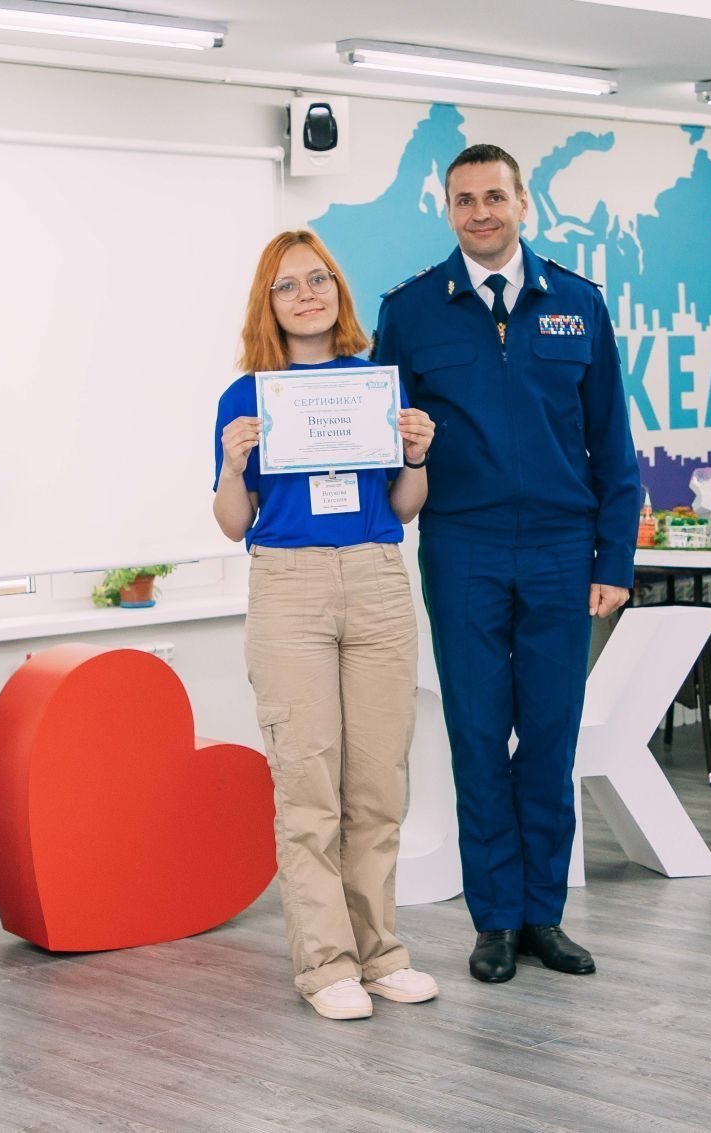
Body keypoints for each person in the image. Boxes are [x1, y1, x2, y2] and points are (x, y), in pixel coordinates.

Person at [373, 144, 641, 984]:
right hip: (463, 548)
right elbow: (383, 439)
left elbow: (614, 444)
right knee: (479, 734)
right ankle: (494, 920)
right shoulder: (411, 311)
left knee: (552, 735)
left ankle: (542, 915)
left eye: (494, 196)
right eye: (464, 199)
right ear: (447, 210)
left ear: (524, 202)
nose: (480, 212)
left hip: (563, 549)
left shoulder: (578, 304)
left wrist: (614, 557)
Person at [213, 230, 437, 1020]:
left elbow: (403, 508)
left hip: (376, 577)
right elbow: (233, 523)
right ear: (267, 304)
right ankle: (326, 965)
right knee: (307, 786)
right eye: (287, 285)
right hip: (289, 587)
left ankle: (381, 954)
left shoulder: (377, 386)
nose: (306, 295)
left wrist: (417, 457)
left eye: (319, 279)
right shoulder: (246, 397)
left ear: (338, 291)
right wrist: (233, 467)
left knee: (378, 784)